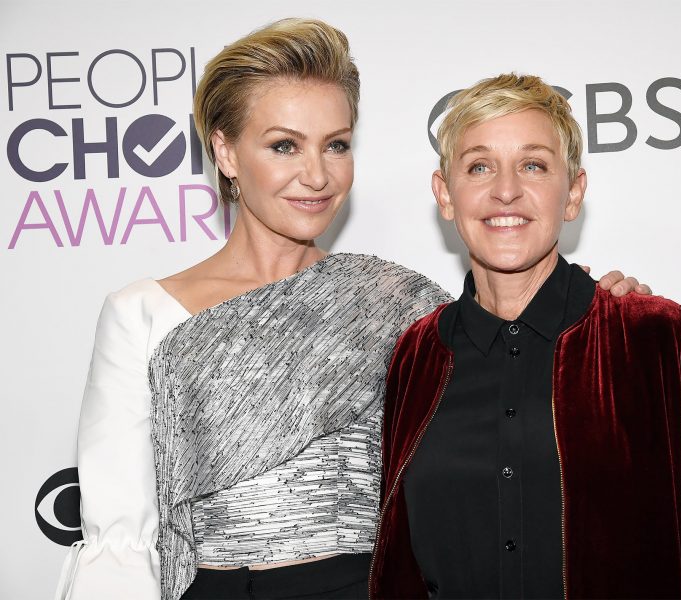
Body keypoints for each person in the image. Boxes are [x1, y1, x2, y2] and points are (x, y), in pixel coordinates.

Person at [54, 21, 649, 600]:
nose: (316, 175)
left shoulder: (397, 302)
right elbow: (120, 538)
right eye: (284, 145)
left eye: (335, 145)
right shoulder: (142, 314)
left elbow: (515, 388)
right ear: (226, 151)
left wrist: (598, 315)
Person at [370, 74, 681, 599]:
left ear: (573, 192)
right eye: (479, 166)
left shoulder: (652, 337)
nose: (505, 189)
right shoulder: (416, 354)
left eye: (533, 165)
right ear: (445, 194)